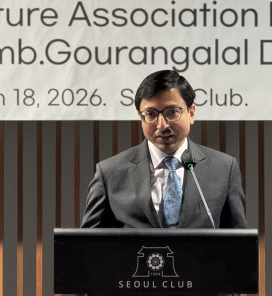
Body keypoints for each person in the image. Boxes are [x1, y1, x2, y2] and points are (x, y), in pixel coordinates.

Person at [81, 69, 246, 229]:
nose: (162, 125)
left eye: (172, 112)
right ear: (140, 117)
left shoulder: (224, 169)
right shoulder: (110, 173)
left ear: (191, 113)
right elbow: (88, 243)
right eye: (151, 114)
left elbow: (238, 241)